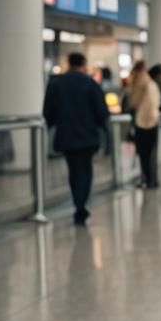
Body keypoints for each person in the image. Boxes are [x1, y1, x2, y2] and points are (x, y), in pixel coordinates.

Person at [42, 52, 109, 225]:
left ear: (69, 63)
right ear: (83, 64)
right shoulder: (91, 83)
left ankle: (78, 203)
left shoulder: (56, 84)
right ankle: (81, 203)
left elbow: (48, 113)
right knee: (86, 169)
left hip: (67, 135)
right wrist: (105, 132)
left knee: (73, 170)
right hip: (88, 136)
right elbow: (102, 112)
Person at [126, 60, 160, 189]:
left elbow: (132, 102)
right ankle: (152, 179)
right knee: (150, 152)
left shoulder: (139, 83)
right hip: (152, 121)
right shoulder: (151, 83)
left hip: (142, 123)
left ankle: (147, 179)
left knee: (143, 153)